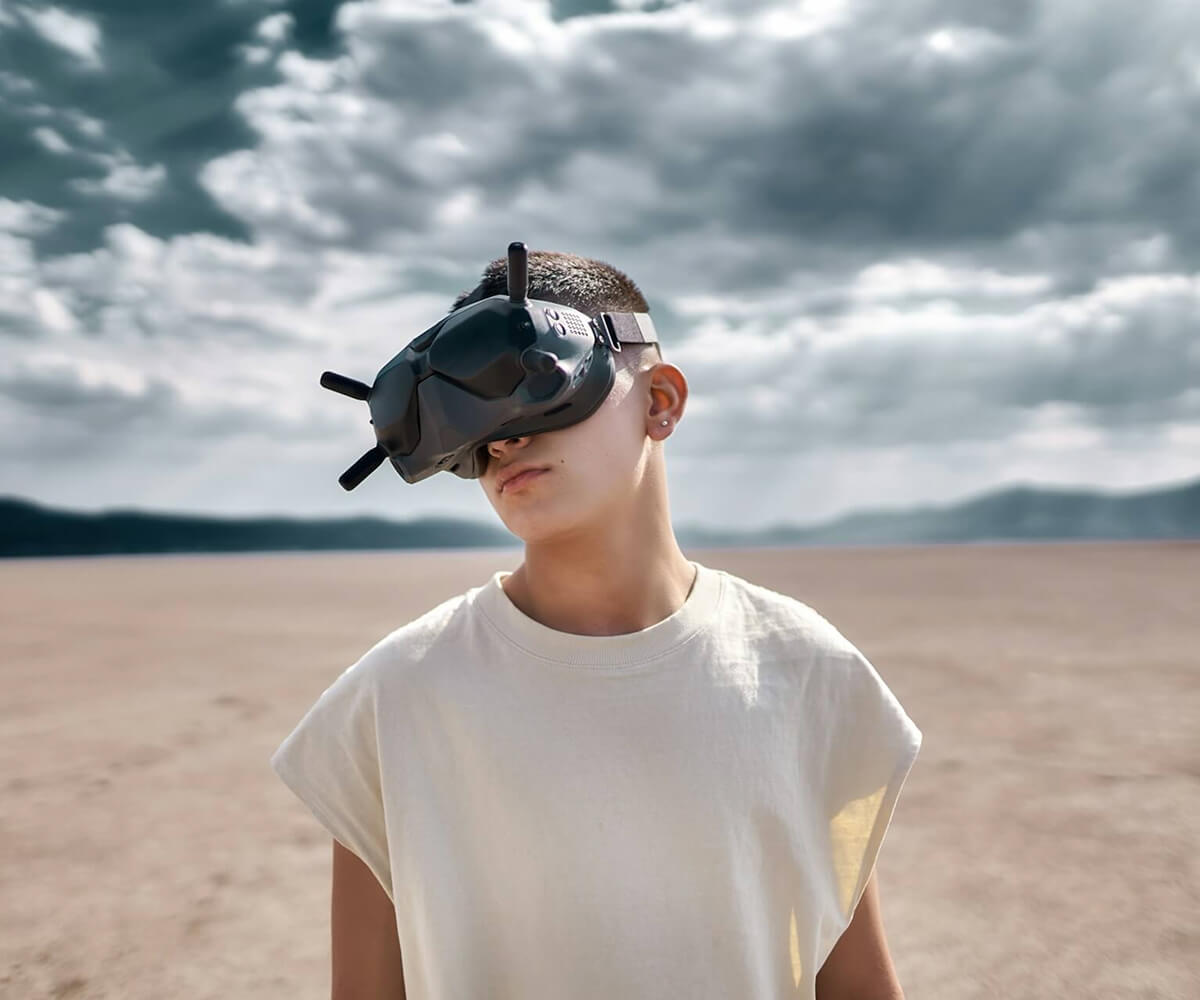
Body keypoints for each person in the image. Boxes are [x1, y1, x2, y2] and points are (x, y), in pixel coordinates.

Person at [270, 249, 923, 1000]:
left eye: (534, 379)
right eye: (469, 431)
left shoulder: (807, 669)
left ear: (661, 401)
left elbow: (857, 980)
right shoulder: (394, 699)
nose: (503, 441)